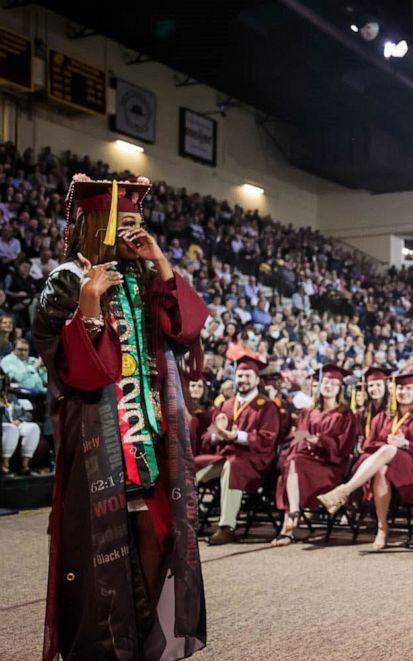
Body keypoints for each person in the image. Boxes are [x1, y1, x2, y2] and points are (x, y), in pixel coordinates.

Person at [33, 175, 208, 660]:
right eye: (124, 223)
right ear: (98, 226)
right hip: (100, 438)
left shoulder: (145, 276)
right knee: (99, 557)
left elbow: (185, 325)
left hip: (150, 438)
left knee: (160, 536)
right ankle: (106, 648)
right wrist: (90, 303)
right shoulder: (67, 278)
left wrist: (160, 259)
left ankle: (144, 644)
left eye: (139, 223)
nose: (135, 231)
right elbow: (71, 369)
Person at [318, 372, 413, 550]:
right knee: (382, 470)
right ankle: (382, 528)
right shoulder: (382, 417)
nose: (403, 392)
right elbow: (368, 445)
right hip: (383, 471)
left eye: (407, 388)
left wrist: (405, 444)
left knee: (389, 449)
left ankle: (345, 491)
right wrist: (387, 445)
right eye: (399, 388)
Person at [195, 355, 281, 545]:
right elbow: (207, 436)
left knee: (232, 466)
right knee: (190, 468)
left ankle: (227, 527)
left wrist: (237, 436)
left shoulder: (266, 406)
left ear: (257, 379)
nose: (243, 380)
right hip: (225, 456)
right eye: (240, 376)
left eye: (248, 376)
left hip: (253, 462)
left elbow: (267, 439)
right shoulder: (226, 405)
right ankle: (187, 520)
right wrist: (219, 434)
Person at [271, 364, 358, 547]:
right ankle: (293, 515)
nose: (328, 386)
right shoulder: (309, 412)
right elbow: (298, 436)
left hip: (329, 467)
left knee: (292, 464)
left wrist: (321, 442)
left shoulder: (345, 415)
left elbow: (344, 447)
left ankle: (288, 527)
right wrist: (308, 441)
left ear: (340, 388)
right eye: (325, 382)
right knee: (293, 461)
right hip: (304, 459)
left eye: (333, 383)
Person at [0, 372, 40, 475]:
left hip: (15, 423)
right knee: (11, 429)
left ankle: (25, 466)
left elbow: (27, 414)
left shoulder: (12, 397)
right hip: (5, 425)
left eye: (4, 382)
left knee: (33, 428)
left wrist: (20, 420)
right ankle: (5, 466)